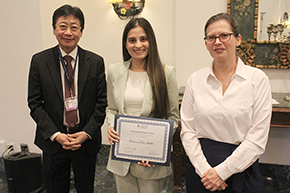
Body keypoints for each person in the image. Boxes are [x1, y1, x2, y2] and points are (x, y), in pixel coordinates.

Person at [180, 13, 272, 193]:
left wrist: (222, 173)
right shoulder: (195, 80)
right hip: (201, 173)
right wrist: (206, 171)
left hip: (242, 172)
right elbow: (188, 131)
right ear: (206, 43)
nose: (217, 42)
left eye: (224, 35)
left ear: (237, 39)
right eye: (211, 37)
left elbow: (257, 138)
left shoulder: (257, 79)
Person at [28, 4, 107, 193]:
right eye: (63, 26)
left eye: (74, 27)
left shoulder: (95, 62)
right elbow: (34, 103)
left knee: (85, 188)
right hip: (53, 141)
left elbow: (101, 104)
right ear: (54, 29)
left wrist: (86, 133)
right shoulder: (39, 61)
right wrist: (57, 135)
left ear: (81, 31)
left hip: (85, 141)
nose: (68, 32)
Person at [106, 17, 179, 193]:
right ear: (126, 44)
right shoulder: (115, 71)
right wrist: (110, 126)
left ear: (151, 41)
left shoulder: (166, 73)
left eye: (143, 39)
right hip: (121, 156)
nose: (138, 45)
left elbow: (173, 118)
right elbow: (111, 109)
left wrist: (154, 149)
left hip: (150, 161)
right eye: (132, 40)